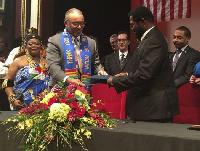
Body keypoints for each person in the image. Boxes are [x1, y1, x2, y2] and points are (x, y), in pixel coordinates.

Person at [107, 6, 179, 122]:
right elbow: (146, 68)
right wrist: (127, 74)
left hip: (154, 108)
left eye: (133, 25)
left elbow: (145, 74)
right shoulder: (149, 39)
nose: (132, 29)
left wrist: (115, 81)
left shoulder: (154, 40)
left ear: (142, 22)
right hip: (149, 107)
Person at [47, 8, 106, 89]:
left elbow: (96, 64)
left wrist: (100, 71)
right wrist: (68, 79)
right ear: (66, 23)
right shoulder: (55, 41)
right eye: (75, 23)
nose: (79, 27)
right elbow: (53, 66)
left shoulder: (91, 43)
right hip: (61, 89)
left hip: (84, 88)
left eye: (82, 23)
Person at [2, 33, 49, 110]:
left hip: (44, 103)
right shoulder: (18, 61)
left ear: (41, 46)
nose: (34, 46)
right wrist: (12, 99)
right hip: (22, 104)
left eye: (37, 44)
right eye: (30, 44)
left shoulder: (47, 62)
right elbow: (7, 82)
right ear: (26, 46)